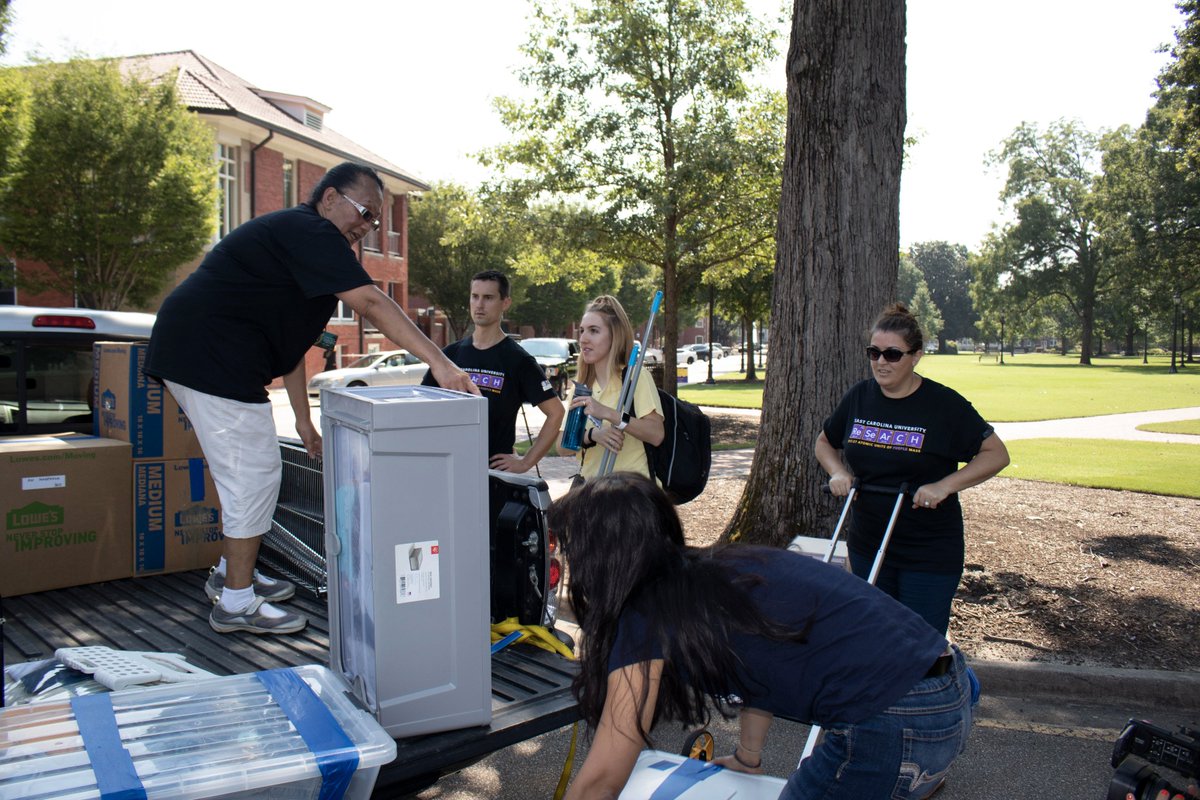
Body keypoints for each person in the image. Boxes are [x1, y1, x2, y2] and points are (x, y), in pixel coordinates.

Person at [145, 161, 479, 636]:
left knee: (253, 474)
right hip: (209, 355)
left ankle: (232, 575)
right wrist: (441, 364)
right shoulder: (310, 231)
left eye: (375, 220)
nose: (367, 226)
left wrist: (304, 421)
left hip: (207, 354)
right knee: (252, 476)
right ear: (329, 198)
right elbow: (373, 303)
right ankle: (235, 602)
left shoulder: (308, 252)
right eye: (365, 212)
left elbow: (293, 350)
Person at [550, 472, 973, 800]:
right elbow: (766, 656)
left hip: (898, 719)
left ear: (601, 559)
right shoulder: (719, 572)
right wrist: (748, 757)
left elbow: (602, 778)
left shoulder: (646, 616)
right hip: (948, 687)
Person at [815, 303, 1010, 635]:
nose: (881, 362)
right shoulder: (859, 397)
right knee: (874, 636)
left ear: (916, 356)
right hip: (868, 544)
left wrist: (944, 486)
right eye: (874, 353)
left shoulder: (943, 405)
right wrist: (838, 472)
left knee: (919, 642)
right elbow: (824, 442)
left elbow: (996, 454)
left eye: (893, 354)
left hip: (927, 553)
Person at [421, 269, 565, 472]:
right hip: (449, 468)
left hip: (494, 474)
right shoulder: (449, 356)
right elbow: (421, 410)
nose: (479, 304)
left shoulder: (518, 360)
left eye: (488, 298)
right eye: (475, 296)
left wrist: (525, 462)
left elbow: (556, 412)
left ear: (505, 303)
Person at [558, 295, 663, 479]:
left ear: (615, 336)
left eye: (594, 331)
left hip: (632, 490)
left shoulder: (635, 377)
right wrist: (593, 435)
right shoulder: (582, 387)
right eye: (582, 331)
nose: (583, 339)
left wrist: (608, 413)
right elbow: (562, 447)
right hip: (593, 489)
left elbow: (656, 434)